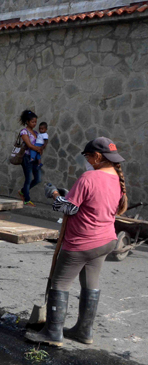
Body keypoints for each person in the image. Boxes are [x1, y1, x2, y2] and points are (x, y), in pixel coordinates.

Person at [25, 137, 127, 347]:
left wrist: (54, 195)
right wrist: (65, 195)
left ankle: (52, 333)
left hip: (81, 242)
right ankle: (84, 331)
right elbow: (88, 204)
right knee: (90, 284)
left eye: (88, 157)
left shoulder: (88, 177)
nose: (87, 161)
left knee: (60, 283)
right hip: (106, 240)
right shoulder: (117, 179)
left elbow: (69, 208)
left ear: (97, 157)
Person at [17, 110, 44, 207]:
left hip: (36, 158)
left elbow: (39, 144)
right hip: (27, 157)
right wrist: (38, 148)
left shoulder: (36, 132)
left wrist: (40, 149)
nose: (34, 124)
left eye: (35, 122)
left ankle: (23, 191)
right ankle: (27, 200)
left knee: (38, 179)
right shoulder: (24, 132)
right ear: (27, 122)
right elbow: (29, 145)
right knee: (28, 179)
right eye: (33, 122)